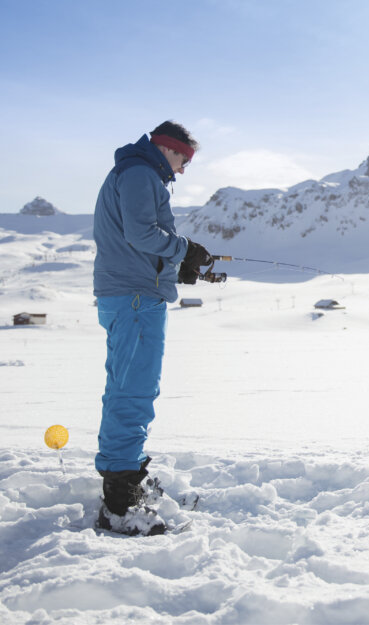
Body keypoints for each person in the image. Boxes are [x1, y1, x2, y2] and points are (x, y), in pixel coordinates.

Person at [92, 121, 212, 535]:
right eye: (183, 159)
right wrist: (185, 249)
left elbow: (136, 243)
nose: (182, 170)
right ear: (166, 147)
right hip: (135, 299)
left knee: (127, 388)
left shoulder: (133, 172)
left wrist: (178, 268)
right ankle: (120, 504)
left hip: (132, 293)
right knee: (134, 391)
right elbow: (142, 233)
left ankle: (124, 483)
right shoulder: (142, 173)